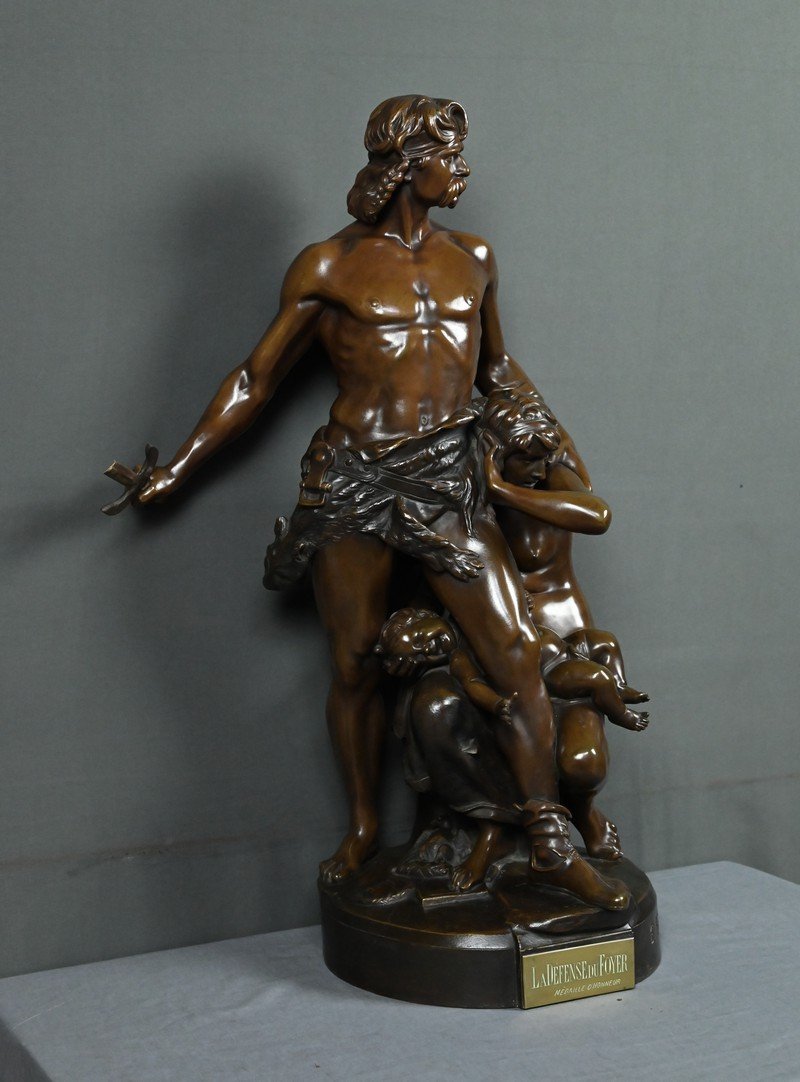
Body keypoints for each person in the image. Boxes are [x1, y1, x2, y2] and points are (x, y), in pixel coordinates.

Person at [125, 95, 628, 910]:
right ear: (406, 164)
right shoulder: (326, 267)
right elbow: (256, 378)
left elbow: (498, 372)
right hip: (354, 481)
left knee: (514, 656)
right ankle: (362, 825)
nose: (463, 169)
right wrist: (176, 469)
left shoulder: (475, 258)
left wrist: (562, 453)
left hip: (450, 480)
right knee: (355, 664)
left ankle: (549, 841)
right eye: (449, 155)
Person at [481, 387, 649, 859]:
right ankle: (515, 841)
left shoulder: (551, 475)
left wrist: (505, 491)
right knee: (507, 747)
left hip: (572, 638)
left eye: (544, 459)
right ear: (494, 453)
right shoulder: (467, 492)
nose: (539, 470)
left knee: (582, 765)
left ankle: (584, 811)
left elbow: (598, 515)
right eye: (527, 460)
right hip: (509, 644)